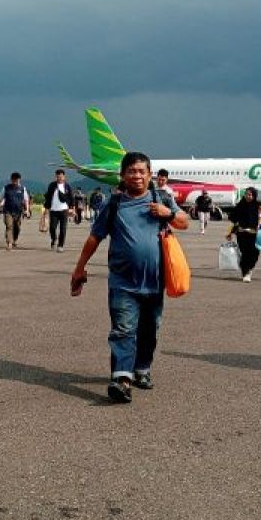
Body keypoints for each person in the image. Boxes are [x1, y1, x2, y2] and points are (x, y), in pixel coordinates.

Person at [70, 151, 189, 403]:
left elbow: (183, 221)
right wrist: (80, 267)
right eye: (132, 171)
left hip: (154, 281)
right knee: (123, 329)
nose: (137, 176)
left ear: (149, 175)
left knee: (149, 329)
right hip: (122, 282)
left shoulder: (162, 197)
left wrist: (166, 213)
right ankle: (122, 379)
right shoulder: (113, 204)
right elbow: (95, 237)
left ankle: (142, 368)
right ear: (122, 175)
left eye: (142, 171)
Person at [226, 188, 261, 282]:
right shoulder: (240, 205)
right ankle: (245, 272)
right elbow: (233, 219)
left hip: (255, 234)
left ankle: (250, 268)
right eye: (246, 194)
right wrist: (231, 232)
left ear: (254, 196)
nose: (248, 196)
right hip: (242, 233)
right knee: (245, 253)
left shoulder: (258, 206)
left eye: (250, 195)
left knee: (254, 253)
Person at [0, 172, 30, 250]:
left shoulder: (23, 189)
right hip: (8, 211)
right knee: (9, 226)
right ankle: (9, 243)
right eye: (14, 181)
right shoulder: (6, 188)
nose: (16, 182)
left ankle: (15, 239)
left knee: (17, 228)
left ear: (20, 180)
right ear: (11, 180)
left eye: (17, 181)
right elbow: (0, 198)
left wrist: (27, 210)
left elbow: (26, 200)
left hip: (18, 211)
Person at [44, 169, 73, 252]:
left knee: (63, 229)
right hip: (53, 210)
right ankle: (54, 239)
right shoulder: (52, 185)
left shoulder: (67, 186)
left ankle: (60, 245)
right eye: (57, 177)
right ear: (55, 177)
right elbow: (48, 197)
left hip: (64, 210)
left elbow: (71, 198)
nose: (59, 178)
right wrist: (46, 209)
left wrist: (72, 208)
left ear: (64, 177)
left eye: (61, 176)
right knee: (52, 228)